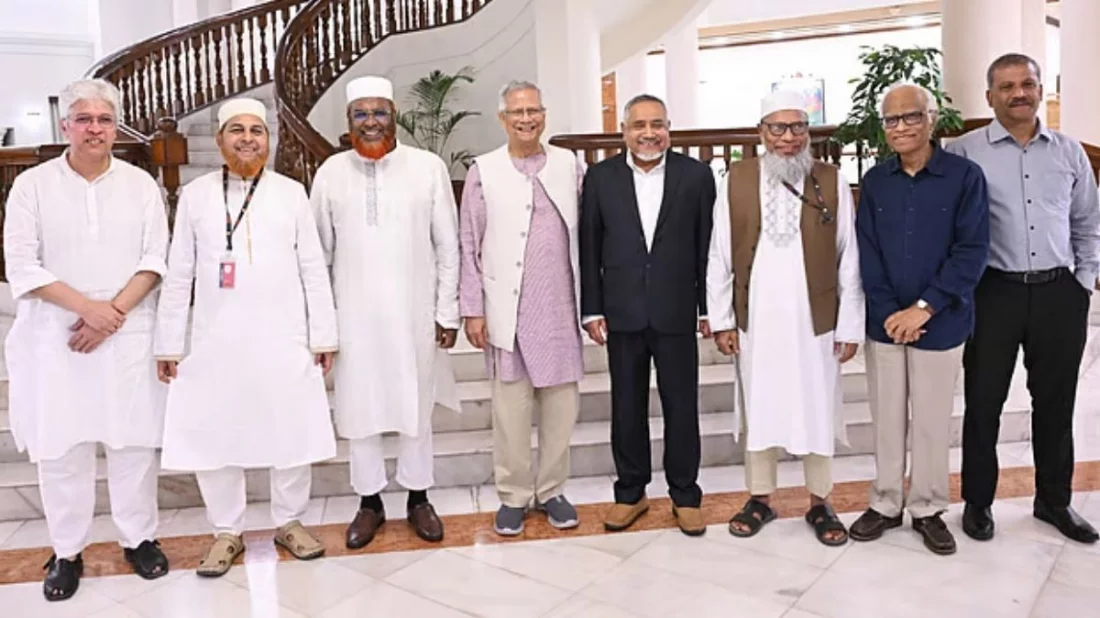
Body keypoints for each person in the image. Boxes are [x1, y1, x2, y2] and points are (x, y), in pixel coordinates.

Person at [153, 98, 338, 577]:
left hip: (285, 336)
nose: (248, 139)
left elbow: (313, 268)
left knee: (291, 429)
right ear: (220, 140)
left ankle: (289, 521)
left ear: (268, 141)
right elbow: (179, 273)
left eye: (257, 130)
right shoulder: (195, 196)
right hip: (216, 341)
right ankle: (226, 531)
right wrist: (168, 343)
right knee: (218, 432)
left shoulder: (292, 193)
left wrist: (323, 334)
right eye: (237, 130)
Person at [3, 78, 170, 601]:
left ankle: (139, 539)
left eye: (104, 120)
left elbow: (155, 259)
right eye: (84, 119)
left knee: (133, 445)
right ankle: (66, 550)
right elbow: (22, 265)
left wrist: (110, 314)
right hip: (57, 336)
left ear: (116, 127)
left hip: (126, 332)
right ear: (65, 126)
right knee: (63, 449)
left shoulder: (141, 184)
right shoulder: (32, 185)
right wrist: (88, 310)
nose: (94, 129)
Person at [946, 53, 1100, 544]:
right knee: (984, 401)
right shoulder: (964, 152)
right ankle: (978, 502)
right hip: (993, 292)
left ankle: (1054, 501)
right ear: (989, 96)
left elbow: (1087, 221)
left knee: (1056, 402)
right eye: (1008, 86)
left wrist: (1083, 282)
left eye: (1028, 84)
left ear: (1040, 90)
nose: (1019, 93)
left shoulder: (1070, 153)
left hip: (1059, 293)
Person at [310, 75, 460, 549]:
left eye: (379, 112)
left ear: (394, 116)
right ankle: (369, 502)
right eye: (361, 114)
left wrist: (447, 312)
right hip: (353, 318)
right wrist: (323, 325)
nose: (370, 122)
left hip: (415, 313)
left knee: (416, 405)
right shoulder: (330, 173)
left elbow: (448, 246)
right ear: (348, 120)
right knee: (360, 408)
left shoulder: (428, 168)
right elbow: (318, 256)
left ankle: (419, 497)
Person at [708, 89, 863, 546]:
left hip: (815, 322)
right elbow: (719, 254)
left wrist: (850, 324)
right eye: (778, 127)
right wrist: (722, 319)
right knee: (760, 405)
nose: (789, 137)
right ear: (761, 132)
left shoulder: (831, 179)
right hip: (755, 320)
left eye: (798, 127)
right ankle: (759, 498)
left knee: (817, 404)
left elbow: (849, 257)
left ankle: (821, 501)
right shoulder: (736, 178)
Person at [851, 83, 990, 555]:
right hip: (886, 323)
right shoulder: (875, 181)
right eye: (891, 119)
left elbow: (971, 251)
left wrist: (924, 307)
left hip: (941, 321)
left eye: (911, 116)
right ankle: (886, 503)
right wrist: (890, 312)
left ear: (932, 119)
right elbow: (867, 251)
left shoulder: (965, 177)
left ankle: (927, 508)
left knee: (931, 421)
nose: (901, 127)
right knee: (886, 418)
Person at [579, 93, 714, 536]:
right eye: (639, 125)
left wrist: (708, 308)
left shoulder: (696, 176)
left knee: (682, 406)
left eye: (657, 124)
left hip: (677, 311)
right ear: (624, 131)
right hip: (622, 312)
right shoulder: (601, 178)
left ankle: (685, 496)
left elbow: (708, 247)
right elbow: (589, 246)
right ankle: (630, 493)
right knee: (626, 406)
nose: (649, 133)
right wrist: (592, 308)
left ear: (669, 129)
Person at [458, 80, 585, 536]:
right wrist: (472, 309)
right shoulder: (484, 170)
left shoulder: (570, 165)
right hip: (507, 309)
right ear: (503, 119)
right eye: (517, 112)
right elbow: (468, 243)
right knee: (510, 413)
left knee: (561, 409)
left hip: (559, 308)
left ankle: (551, 491)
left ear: (544, 115)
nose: (526, 119)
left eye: (534, 111)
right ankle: (513, 495)